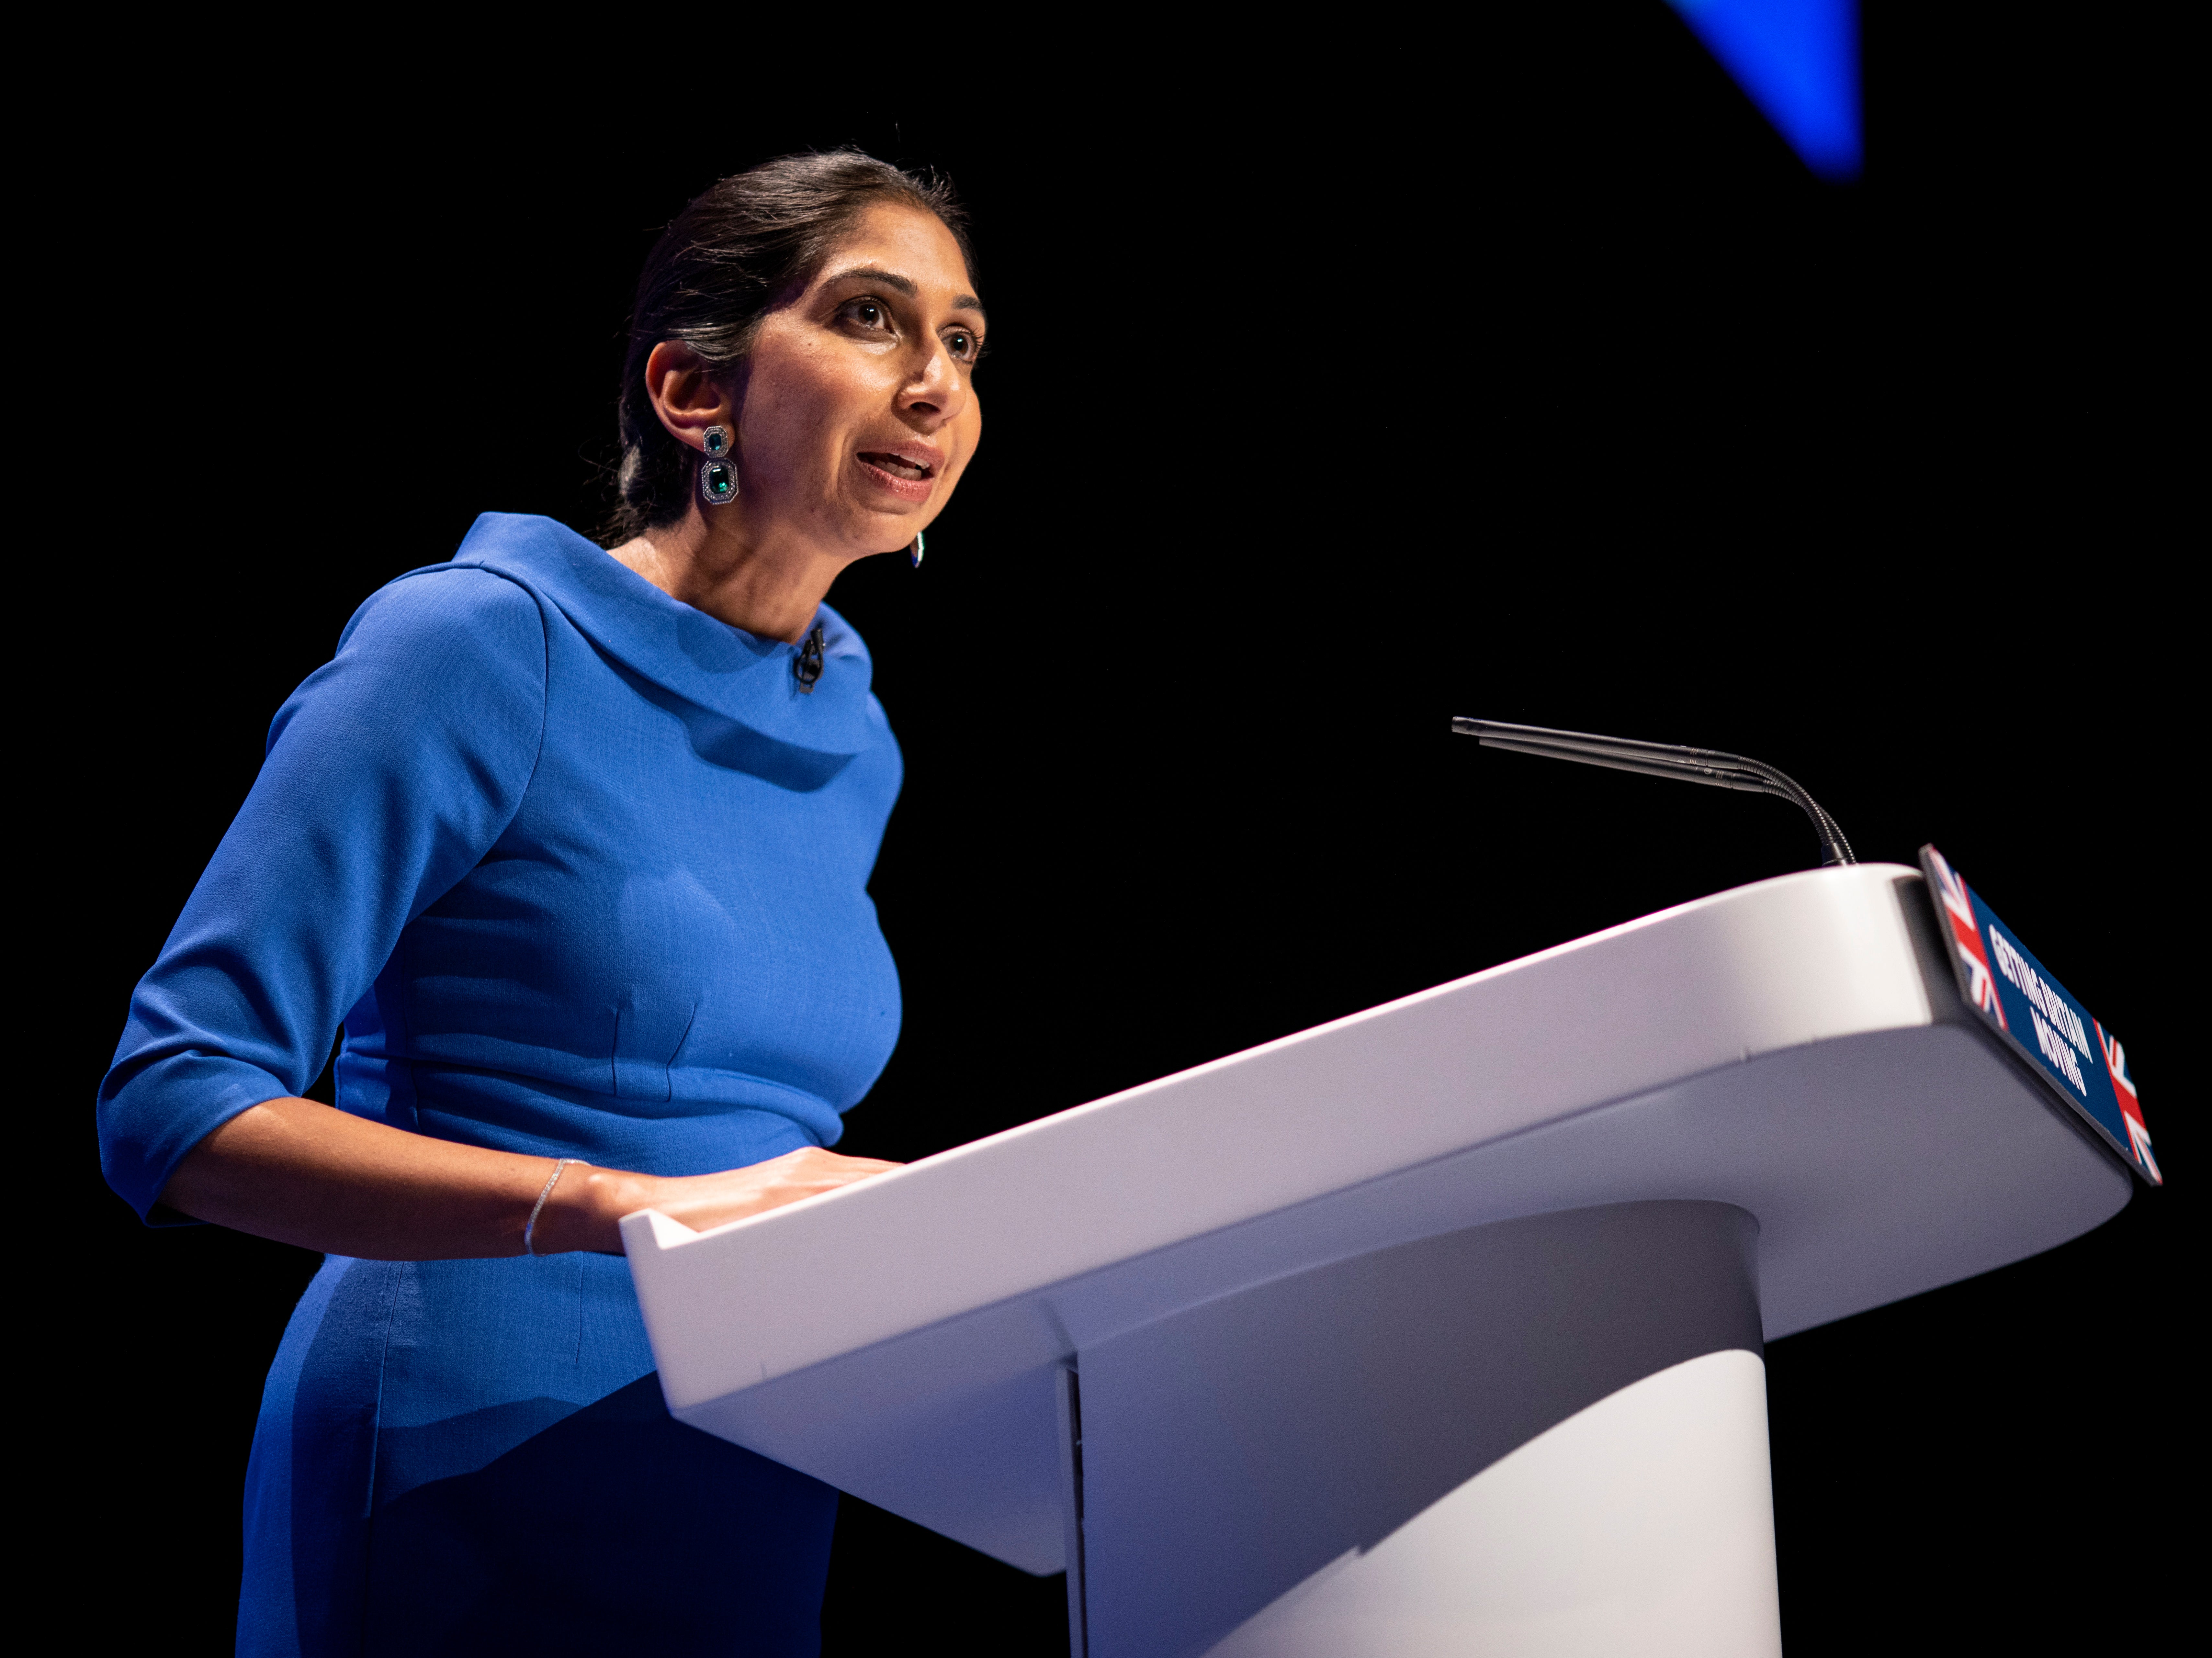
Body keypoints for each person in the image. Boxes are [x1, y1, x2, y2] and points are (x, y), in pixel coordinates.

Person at [96, 150, 986, 1656]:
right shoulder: (478, 645)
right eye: (870, 320)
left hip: (752, 1463)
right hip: (462, 1442)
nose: (934, 385)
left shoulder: (856, 735)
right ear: (692, 391)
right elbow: (171, 1105)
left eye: (962, 343)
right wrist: (618, 1208)